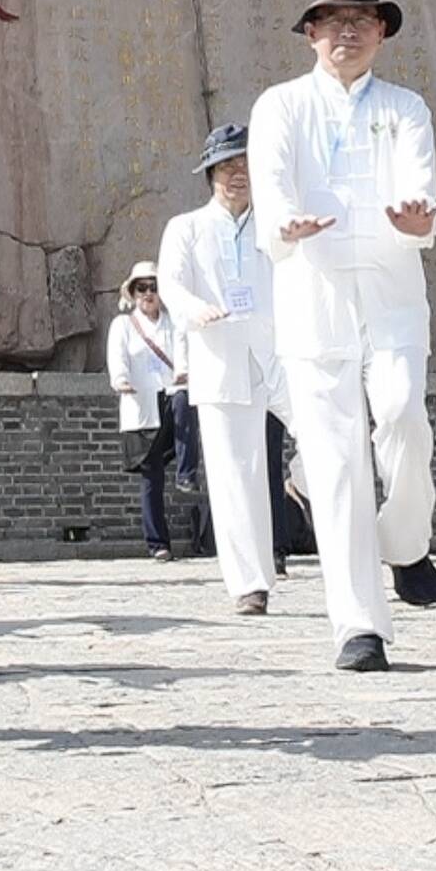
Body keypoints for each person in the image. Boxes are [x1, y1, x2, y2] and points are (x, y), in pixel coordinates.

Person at [247, 0, 436, 672]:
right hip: (312, 288)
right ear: (311, 34)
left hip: (391, 285)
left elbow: (420, 184)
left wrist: (420, 218)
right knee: (333, 460)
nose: (348, 31)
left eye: (362, 19)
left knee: (402, 417)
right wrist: (284, 224)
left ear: (383, 30)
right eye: (333, 20)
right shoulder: (281, 106)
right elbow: (269, 184)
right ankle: (358, 625)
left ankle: (407, 540)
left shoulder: (405, 107)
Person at [159, 123, 283, 613]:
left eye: (246, 165)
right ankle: (249, 583)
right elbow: (170, 284)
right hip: (220, 356)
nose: (239, 175)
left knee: (330, 441)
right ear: (211, 174)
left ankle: (372, 542)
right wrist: (195, 311)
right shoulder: (186, 227)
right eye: (229, 167)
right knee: (235, 477)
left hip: (279, 352)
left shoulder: (274, 223)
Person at [105, 263, 196, 560]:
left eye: (153, 287)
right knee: (151, 477)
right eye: (141, 288)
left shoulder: (173, 322)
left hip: (169, 394)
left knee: (184, 402)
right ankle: (158, 543)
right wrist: (120, 380)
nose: (148, 294)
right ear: (133, 293)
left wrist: (183, 372)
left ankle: (187, 472)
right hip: (143, 403)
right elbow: (117, 356)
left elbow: (182, 349)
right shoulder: (124, 325)